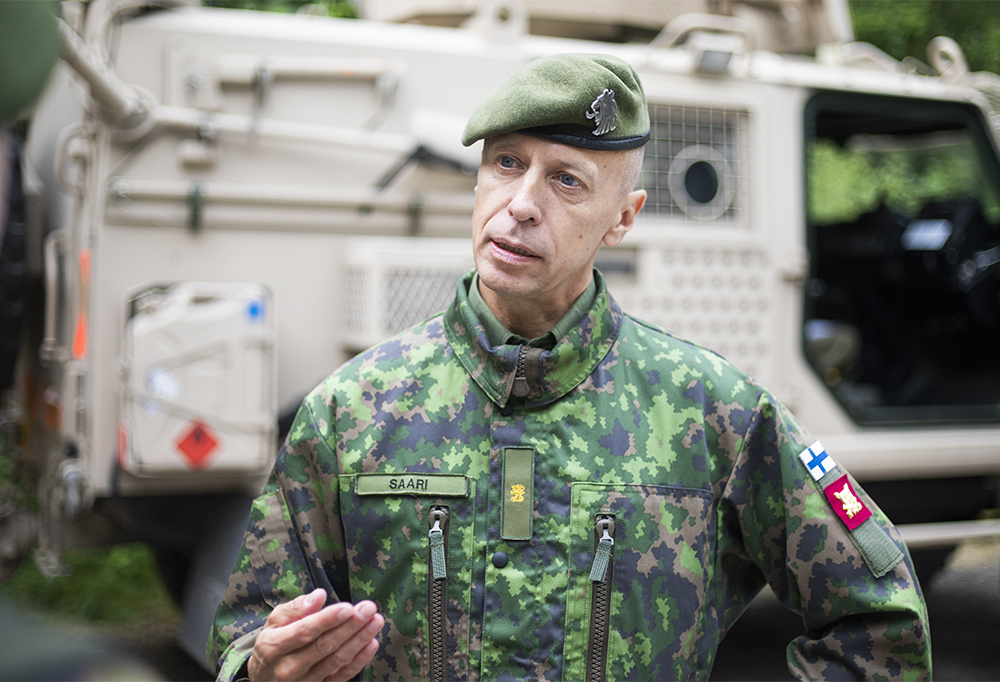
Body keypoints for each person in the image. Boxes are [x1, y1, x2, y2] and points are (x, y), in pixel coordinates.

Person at [209, 53, 930, 681]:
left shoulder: (714, 414)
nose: (521, 204)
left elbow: (881, 616)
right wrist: (262, 667)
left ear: (624, 217)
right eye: (506, 163)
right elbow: (248, 629)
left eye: (567, 181)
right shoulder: (351, 411)